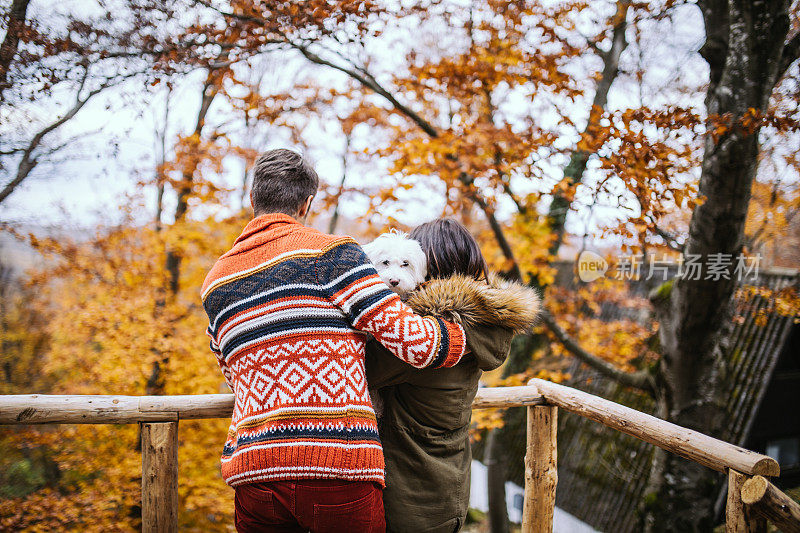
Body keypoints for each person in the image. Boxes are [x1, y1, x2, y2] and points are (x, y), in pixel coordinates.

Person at [201, 149, 467, 533]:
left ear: (252, 198)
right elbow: (416, 344)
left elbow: (235, 374)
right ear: (307, 203)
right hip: (337, 465)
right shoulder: (334, 254)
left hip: (254, 472)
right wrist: (465, 330)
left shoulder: (215, 281)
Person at [366, 219, 541, 533]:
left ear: (427, 268)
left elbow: (360, 368)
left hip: (406, 501)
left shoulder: (425, 336)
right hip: (447, 490)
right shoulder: (479, 323)